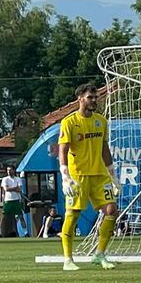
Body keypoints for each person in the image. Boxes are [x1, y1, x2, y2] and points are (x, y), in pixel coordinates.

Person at [58, 83, 122, 271]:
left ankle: (100, 254)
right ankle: (68, 259)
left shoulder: (101, 121)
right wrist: (65, 176)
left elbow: (104, 148)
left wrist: (113, 175)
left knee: (111, 210)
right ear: (80, 99)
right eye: (90, 98)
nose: (94, 100)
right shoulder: (69, 122)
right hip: (78, 176)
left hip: (99, 175)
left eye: (95, 97)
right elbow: (63, 150)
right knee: (73, 215)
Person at [0, 165, 26, 237]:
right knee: (4, 216)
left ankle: (26, 232)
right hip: (8, 200)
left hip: (16, 200)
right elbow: (6, 189)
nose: (9, 172)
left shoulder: (18, 179)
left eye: (10, 170)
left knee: (20, 216)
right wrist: (15, 188)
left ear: (13, 170)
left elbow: (19, 189)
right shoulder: (5, 179)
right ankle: (0, 232)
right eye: (7, 170)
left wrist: (11, 188)